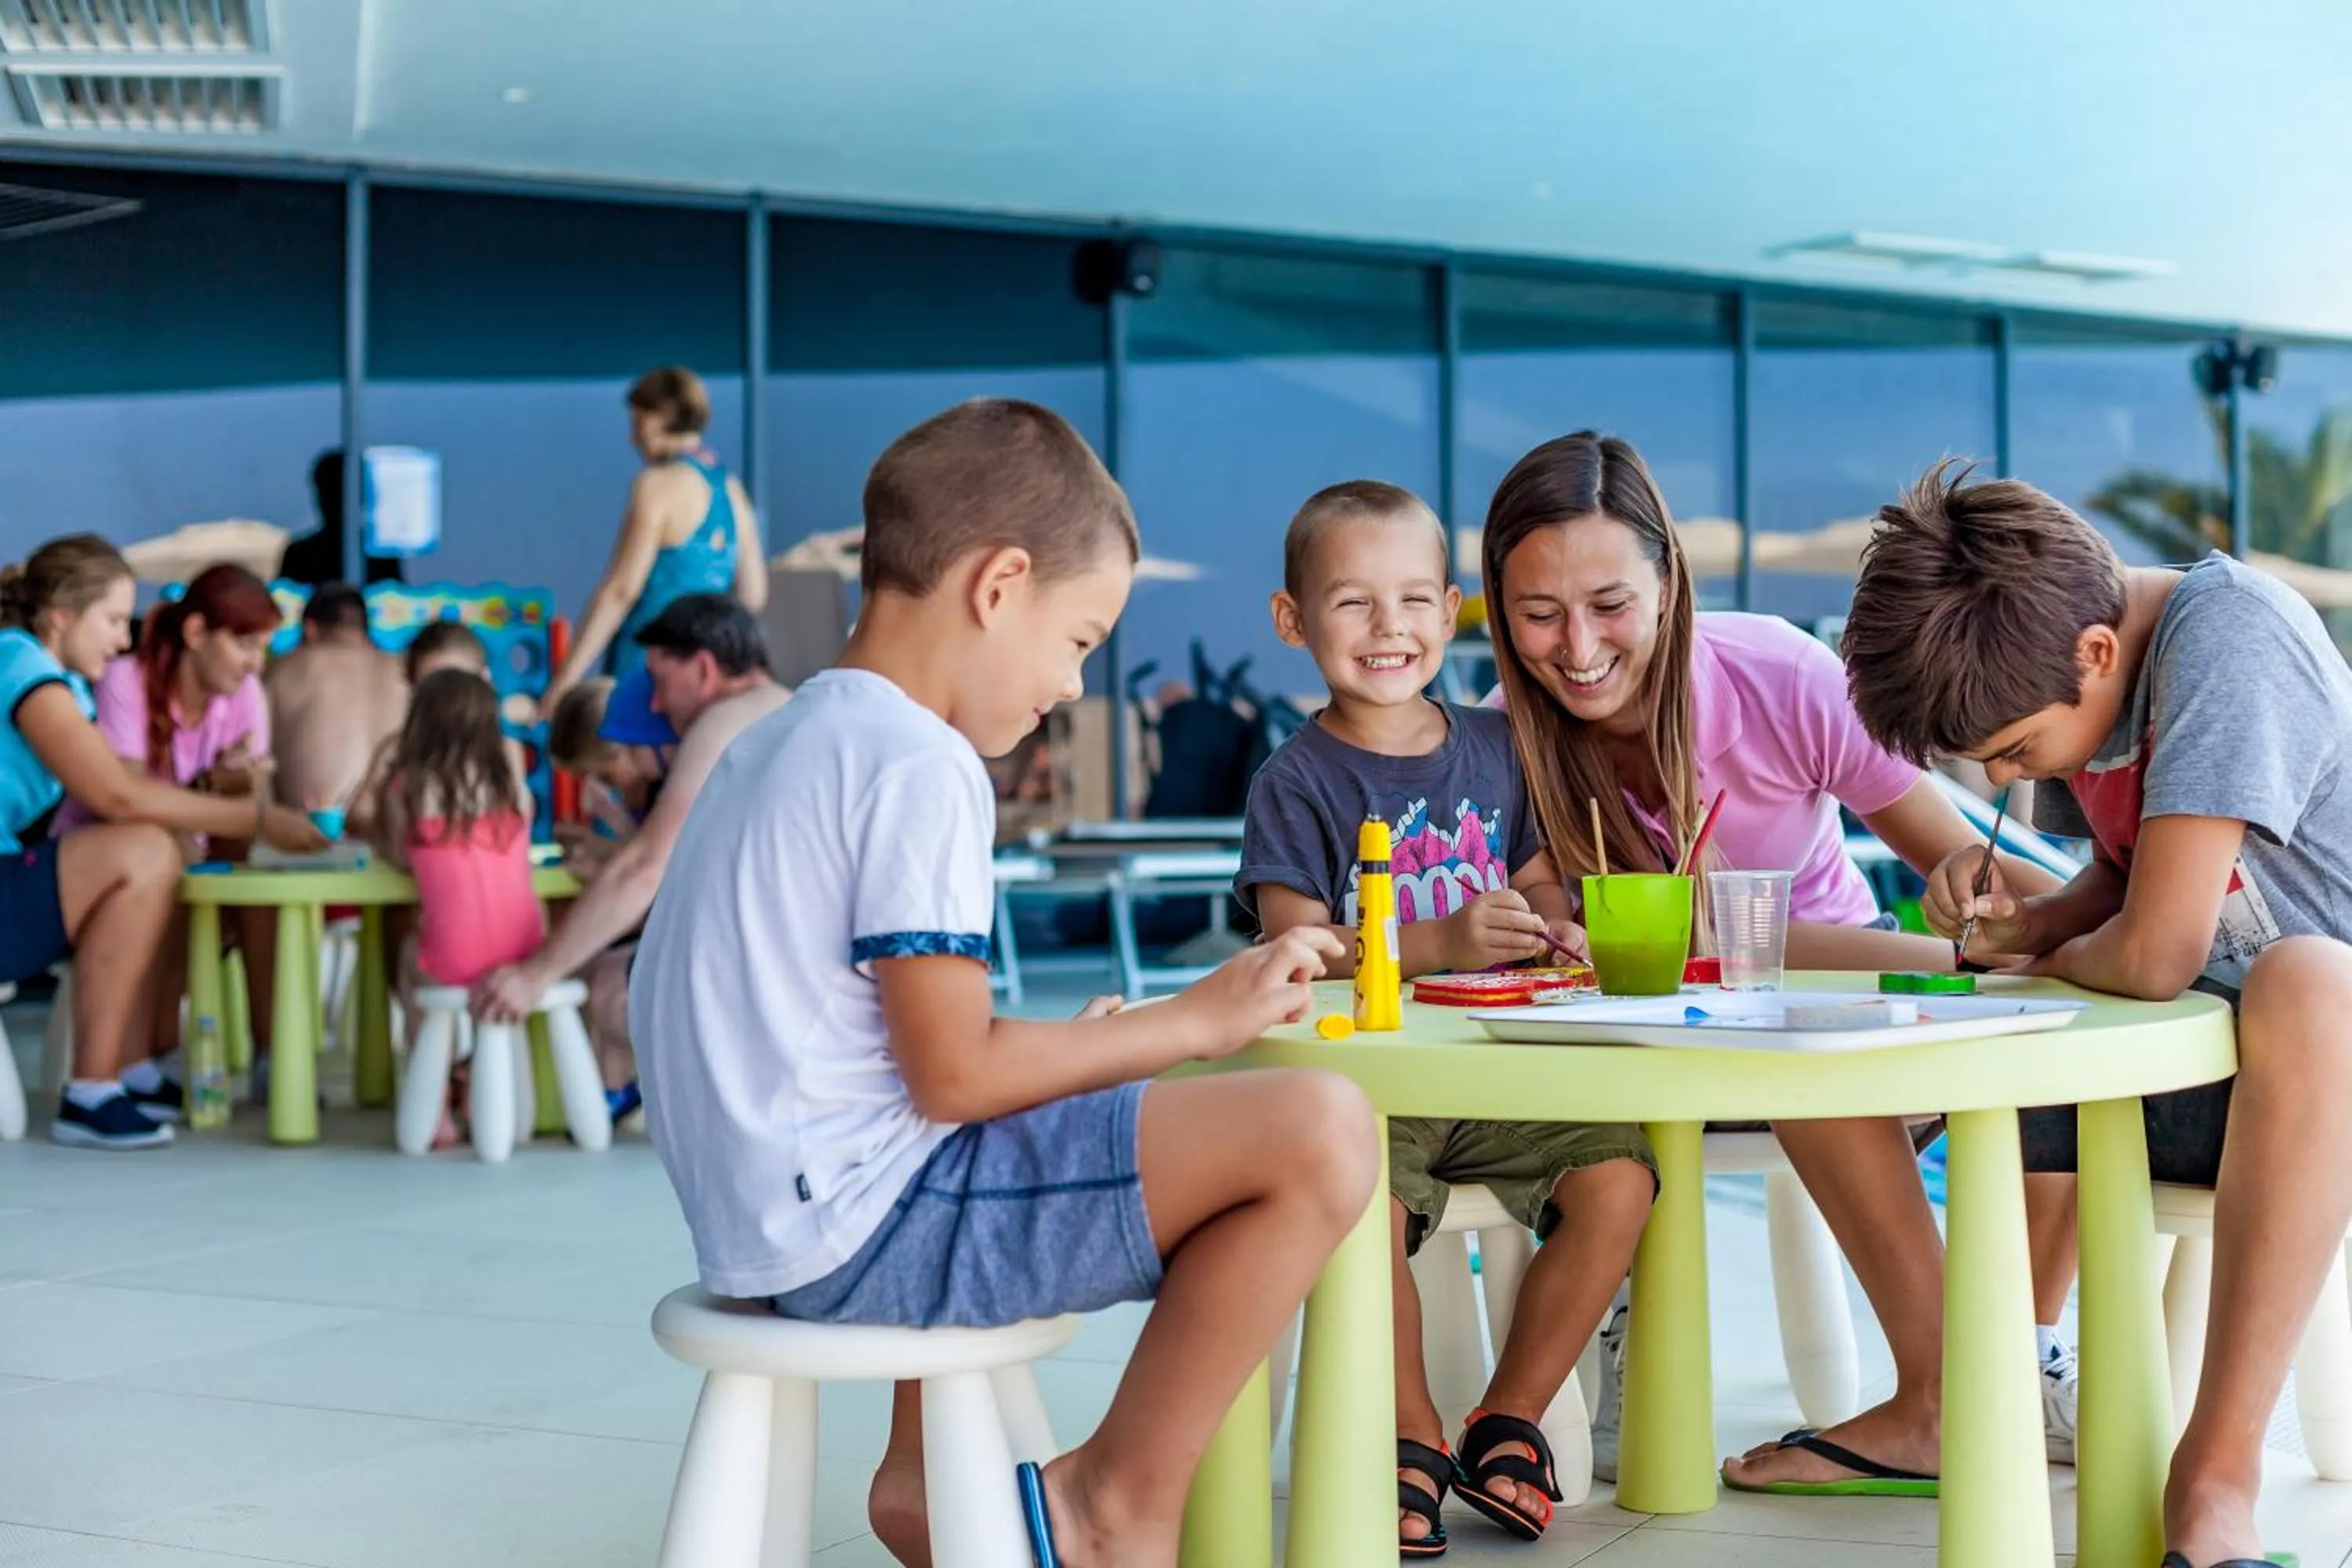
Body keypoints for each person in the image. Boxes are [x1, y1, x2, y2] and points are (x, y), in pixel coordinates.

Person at [630, 397, 1379, 1568]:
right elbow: (954, 1076)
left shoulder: (772, 742)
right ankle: (1114, 1505)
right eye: (1079, 638)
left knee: (1104, 1093)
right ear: (998, 585)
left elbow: (872, 1050)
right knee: (1321, 1129)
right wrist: (1192, 1020)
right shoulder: (917, 763)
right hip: (868, 1234)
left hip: (770, 1228)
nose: (1077, 685)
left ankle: (926, 1479)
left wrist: (1070, 1060)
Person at [1471, 432, 2072, 1489]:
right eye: (1537, 614)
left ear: (1670, 582)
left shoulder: (1777, 675)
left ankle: (1999, 1363)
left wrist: (2016, 927)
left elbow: (1961, 865)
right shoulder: (1495, 743)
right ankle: (1965, 1388)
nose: (1577, 647)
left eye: (1610, 603)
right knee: (1778, 1046)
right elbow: (1581, 960)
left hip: (1834, 1040)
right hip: (1634, 1072)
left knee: (1981, 1051)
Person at [1834, 465, 2352, 1568]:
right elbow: (2131, 882)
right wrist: (2032, 925)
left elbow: (2161, 950)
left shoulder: (2230, 642)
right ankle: (1966, 1398)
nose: (2013, 774)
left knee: (2309, 976)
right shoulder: (2084, 666)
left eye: (2017, 753)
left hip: (2318, 1082)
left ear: (2098, 655)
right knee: (1847, 1036)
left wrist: (2062, 945)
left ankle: (2214, 1486)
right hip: (2211, 1069)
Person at [1238, 479, 1655, 1554]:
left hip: (1500, 1074)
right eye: (1354, 604)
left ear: (1454, 609)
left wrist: (1551, 927)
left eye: (1416, 601)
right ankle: (1406, 1432)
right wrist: (1434, 944)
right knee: (1356, 1209)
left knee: (1620, 1182)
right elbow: (1297, 947)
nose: (1391, 630)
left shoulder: (1498, 745)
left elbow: (1539, 885)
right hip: (1372, 1098)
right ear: (1293, 622)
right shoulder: (1297, 781)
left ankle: (1507, 1415)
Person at [0, 535, 322, 1149]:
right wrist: (256, 819)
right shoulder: (20, 663)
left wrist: (233, 803)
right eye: (114, 620)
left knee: (153, 848)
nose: (124, 639)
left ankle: (119, 1074)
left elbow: (125, 788)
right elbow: (114, 794)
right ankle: (95, 1089)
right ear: (62, 617)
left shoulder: (61, 683)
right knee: (146, 849)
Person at [471, 593, 789, 1118]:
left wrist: (535, 975)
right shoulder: (783, 705)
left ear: (705, 669)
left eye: (661, 683)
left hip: (769, 990)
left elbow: (646, 869)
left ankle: (641, 1093)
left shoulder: (722, 724)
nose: (657, 706)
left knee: (611, 988)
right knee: (614, 967)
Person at [54, 563, 287, 1091]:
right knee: (170, 856)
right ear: (197, 633)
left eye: (263, 648)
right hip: (98, 863)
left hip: (185, 856)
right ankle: (150, 1054)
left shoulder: (245, 694)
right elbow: (125, 800)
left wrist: (236, 786)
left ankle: (273, 1056)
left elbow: (247, 812)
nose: (255, 662)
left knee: (257, 884)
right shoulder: (126, 681)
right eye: (244, 643)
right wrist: (222, 798)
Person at [370, 667, 543, 1149]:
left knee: (409, 958)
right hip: (525, 950)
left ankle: (438, 1092)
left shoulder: (409, 783)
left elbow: (397, 854)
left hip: (453, 960)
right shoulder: (508, 772)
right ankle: (475, 1079)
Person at [538, 367, 768, 714]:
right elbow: (753, 595)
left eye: (637, 423)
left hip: (647, 673)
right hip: (706, 678)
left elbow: (620, 590)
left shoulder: (657, 485)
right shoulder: (733, 492)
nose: (633, 439)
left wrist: (564, 683)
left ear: (661, 418)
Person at [267, 583, 408, 833]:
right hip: (395, 845)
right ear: (364, 629)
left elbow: (257, 765)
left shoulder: (282, 670)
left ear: (310, 628)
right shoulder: (407, 672)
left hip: (310, 843)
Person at [276, 450, 406, 589]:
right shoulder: (300, 554)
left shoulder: (380, 557)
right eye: (324, 490)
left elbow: (394, 602)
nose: (329, 500)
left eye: (336, 491)